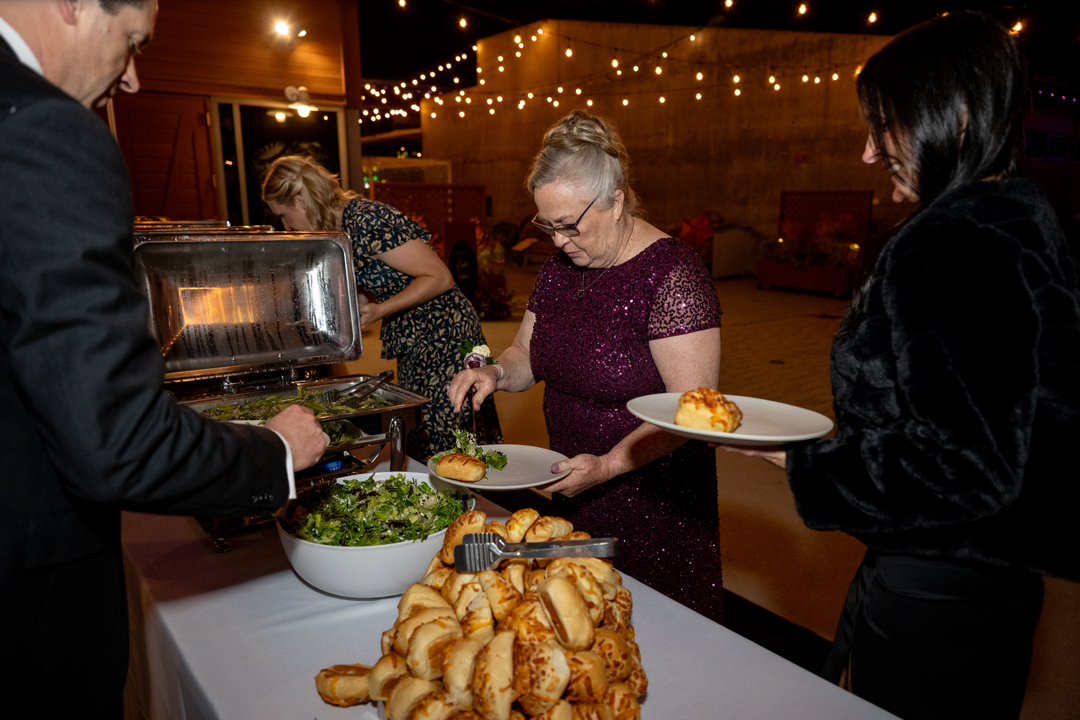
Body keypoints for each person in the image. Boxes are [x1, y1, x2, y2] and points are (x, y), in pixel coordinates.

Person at [728, 12, 1080, 719]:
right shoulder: (1014, 215)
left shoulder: (954, 241)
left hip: (941, 593)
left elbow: (966, 469)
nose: (867, 153)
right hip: (989, 581)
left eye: (882, 126)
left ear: (950, 118)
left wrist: (796, 460)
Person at [0, 1, 328, 717]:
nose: (135, 79)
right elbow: (116, 442)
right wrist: (274, 451)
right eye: (134, 40)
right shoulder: (46, 133)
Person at [448, 111, 725, 622]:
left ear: (616, 200)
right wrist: (496, 374)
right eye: (546, 225)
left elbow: (693, 412)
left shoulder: (673, 277)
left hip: (651, 496)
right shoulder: (561, 268)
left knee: (652, 631)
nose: (556, 241)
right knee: (581, 629)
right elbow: (528, 355)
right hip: (574, 481)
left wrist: (611, 465)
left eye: (569, 224)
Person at [261, 155, 502, 460]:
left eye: (283, 215)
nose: (285, 225)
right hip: (414, 334)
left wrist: (380, 309)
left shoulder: (366, 219)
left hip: (445, 331)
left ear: (300, 201)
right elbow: (386, 280)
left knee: (447, 433)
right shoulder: (340, 225)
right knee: (421, 428)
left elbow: (440, 277)